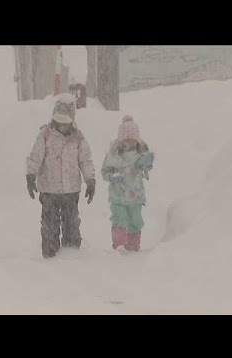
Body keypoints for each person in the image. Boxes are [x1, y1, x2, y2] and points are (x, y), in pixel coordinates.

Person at [26, 93, 96, 258]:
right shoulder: (45, 135)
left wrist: (90, 179)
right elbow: (36, 156)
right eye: (59, 122)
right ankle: (50, 251)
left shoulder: (78, 138)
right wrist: (30, 174)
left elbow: (85, 160)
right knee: (49, 222)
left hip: (71, 190)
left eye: (65, 123)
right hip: (49, 188)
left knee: (71, 220)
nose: (62, 126)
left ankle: (71, 252)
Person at [101, 115, 155, 252]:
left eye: (133, 141)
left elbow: (144, 167)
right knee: (119, 219)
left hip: (135, 196)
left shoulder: (140, 155)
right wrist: (111, 177)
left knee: (135, 221)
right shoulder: (113, 156)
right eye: (127, 140)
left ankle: (133, 245)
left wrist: (148, 163)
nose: (130, 144)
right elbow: (104, 171)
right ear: (121, 141)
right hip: (117, 196)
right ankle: (118, 245)